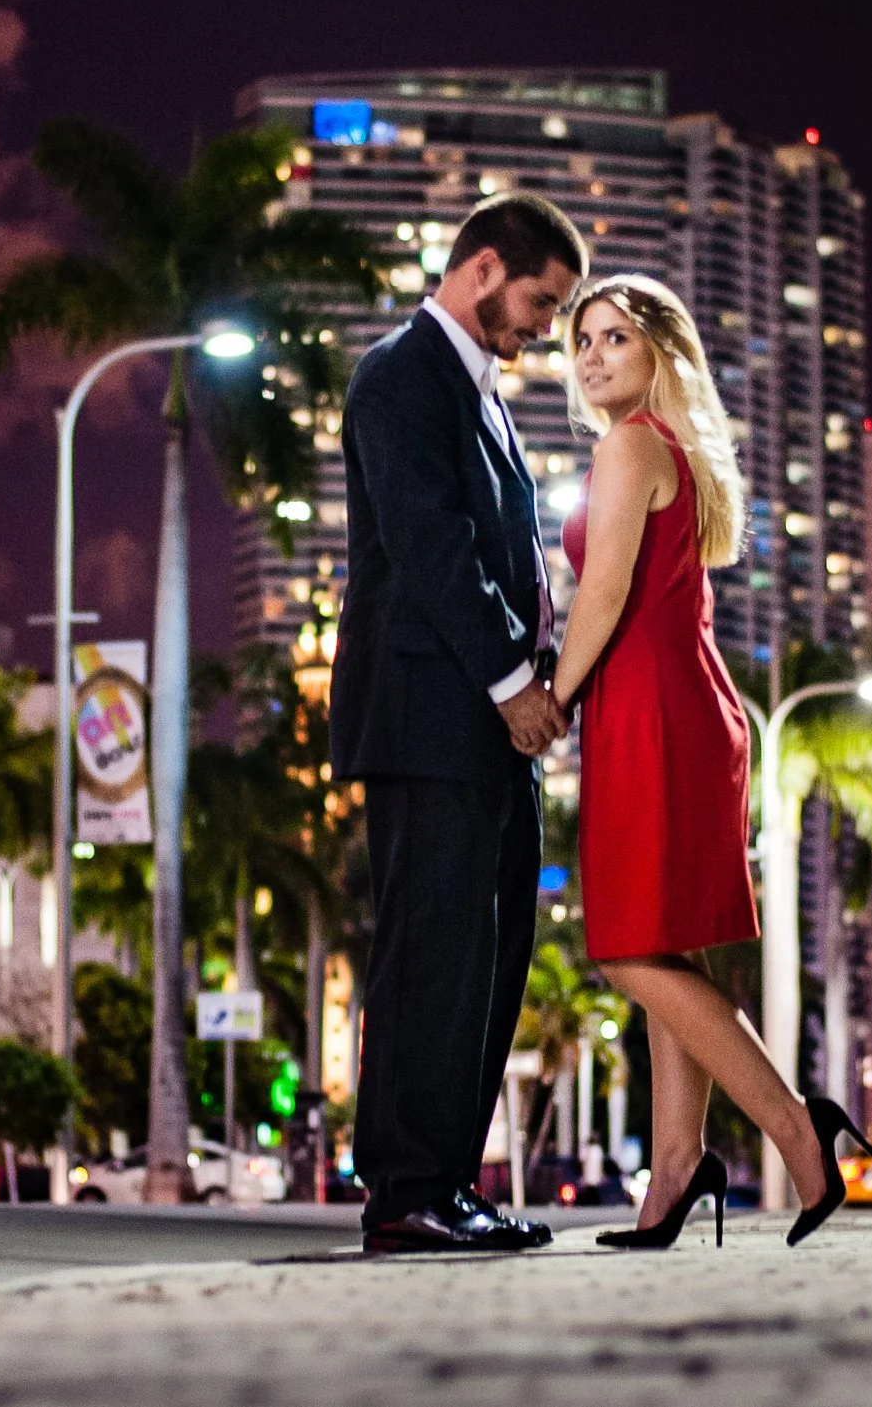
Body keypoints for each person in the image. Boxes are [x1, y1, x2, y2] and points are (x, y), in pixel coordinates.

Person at [550, 273, 872, 1249]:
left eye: (615, 337)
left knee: (622, 947)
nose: (594, 356)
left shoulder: (628, 445)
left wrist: (548, 701)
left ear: (658, 349)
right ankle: (676, 1175)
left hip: (649, 710)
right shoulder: (679, 450)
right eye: (583, 341)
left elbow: (602, 595)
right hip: (684, 704)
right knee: (668, 944)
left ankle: (794, 1132)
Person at [331, 193, 584, 1254]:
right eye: (539, 301)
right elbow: (432, 547)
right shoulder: (402, 377)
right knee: (431, 950)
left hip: (484, 724)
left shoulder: (480, 394)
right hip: (431, 713)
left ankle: (447, 1182)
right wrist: (509, 683)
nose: (543, 327)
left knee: (488, 956)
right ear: (482, 269)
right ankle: (403, 1192)